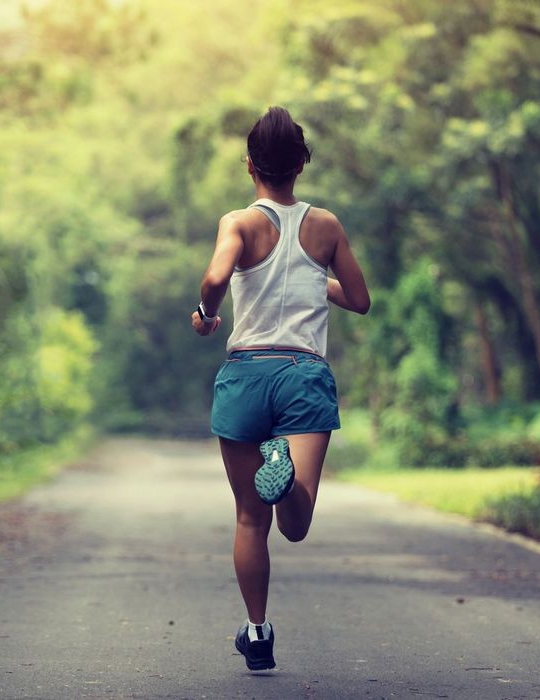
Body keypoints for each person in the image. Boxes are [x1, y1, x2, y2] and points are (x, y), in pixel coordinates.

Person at [190, 106, 370, 672]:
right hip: (303, 375)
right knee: (294, 525)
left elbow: (217, 277)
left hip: (246, 374)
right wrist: (319, 280)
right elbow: (361, 300)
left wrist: (205, 313)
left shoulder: (239, 223)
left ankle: (258, 633)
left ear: (250, 166)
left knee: (249, 518)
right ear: (302, 163)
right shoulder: (327, 226)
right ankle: (286, 477)